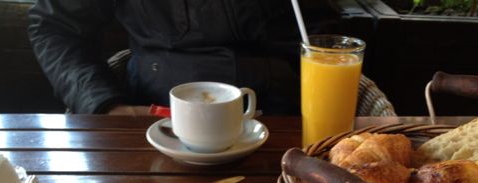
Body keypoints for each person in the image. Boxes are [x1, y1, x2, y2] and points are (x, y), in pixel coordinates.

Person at [27, 0, 340, 116]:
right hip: (155, 122)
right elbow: (56, 26)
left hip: (278, 123)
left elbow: (320, 38)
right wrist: (107, 106)